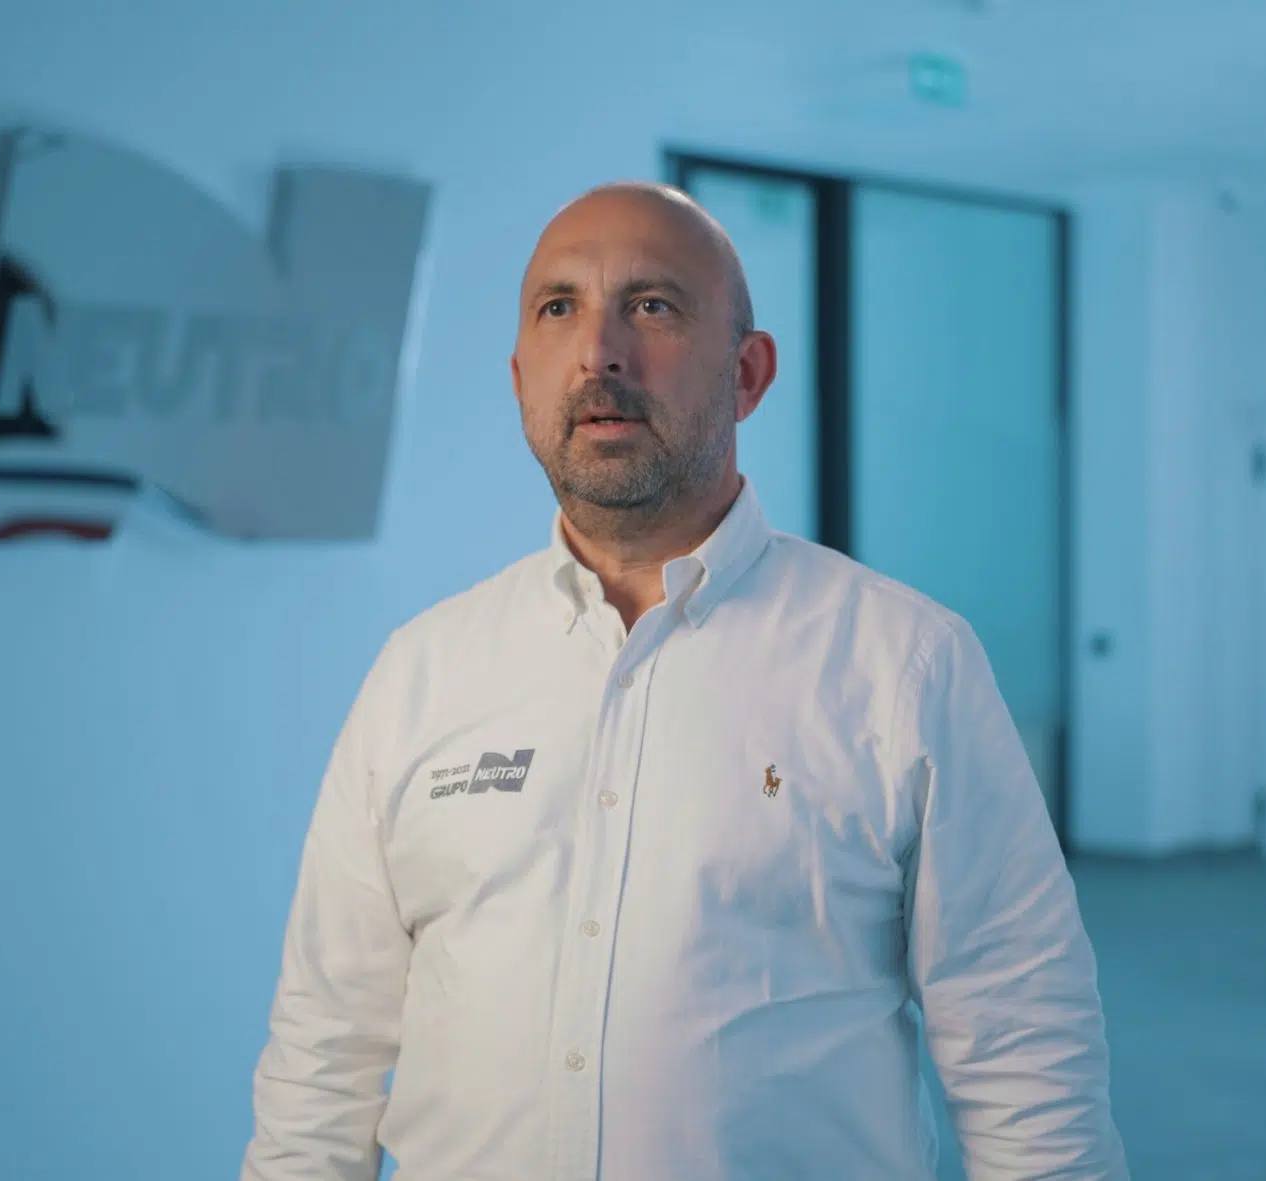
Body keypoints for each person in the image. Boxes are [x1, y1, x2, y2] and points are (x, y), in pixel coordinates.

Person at [240, 181, 1128, 1180]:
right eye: (559, 308)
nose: (599, 352)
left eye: (652, 306)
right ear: (521, 376)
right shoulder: (422, 672)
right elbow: (324, 1056)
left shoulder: (905, 663)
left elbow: (1023, 1047)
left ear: (748, 374)